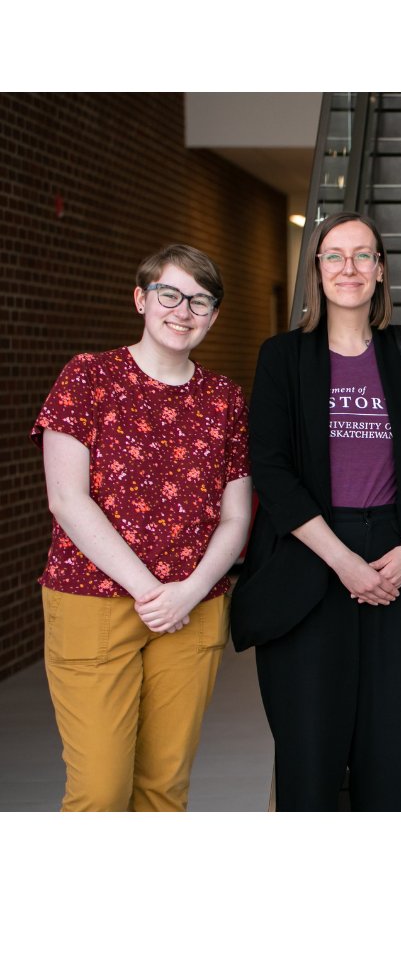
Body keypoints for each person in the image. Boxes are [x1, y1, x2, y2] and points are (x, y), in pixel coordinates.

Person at [230, 212, 401, 812]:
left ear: (379, 271)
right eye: (334, 256)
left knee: (384, 758)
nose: (348, 268)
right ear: (317, 270)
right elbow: (271, 469)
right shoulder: (283, 356)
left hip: (394, 560)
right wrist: (344, 562)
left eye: (362, 256)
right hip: (311, 562)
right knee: (309, 760)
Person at [32, 244, 251, 811]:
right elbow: (66, 498)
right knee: (99, 792)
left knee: (163, 790)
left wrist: (189, 592)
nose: (183, 311)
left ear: (213, 315)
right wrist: (151, 591)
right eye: (169, 294)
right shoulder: (88, 377)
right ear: (141, 299)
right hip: (94, 601)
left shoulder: (225, 399)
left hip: (193, 606)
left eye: (200, 301)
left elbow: (237, 516)